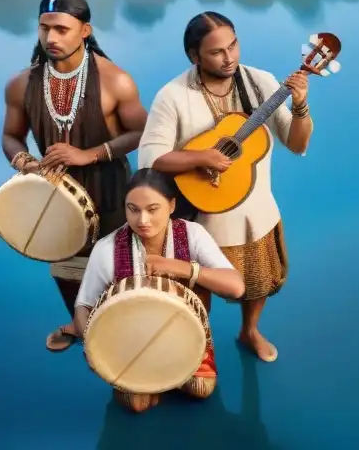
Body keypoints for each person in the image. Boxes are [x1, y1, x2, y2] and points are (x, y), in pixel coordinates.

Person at [138, 11, 313, 363]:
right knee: (199, 285)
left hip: (256, 211)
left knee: (258, 281)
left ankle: (249, 331)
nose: (229, 57)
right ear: (194, 56)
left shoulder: (260, 82)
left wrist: (300, 104)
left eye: (233, 45)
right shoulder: (173, 96)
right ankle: (199, 345)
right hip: (204, 218)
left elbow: (297, 144)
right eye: (217, 51)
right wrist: (200, 158)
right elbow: (150, 160)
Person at [1, 0, 148, 352]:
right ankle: (82, 324)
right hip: (53, 196)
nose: (51, 38)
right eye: (44, 28)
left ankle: (124, 339)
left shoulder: (116, 81)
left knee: (120, 271)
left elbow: (143, 131)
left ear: (85, 30)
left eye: (62, 29)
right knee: (66, 270)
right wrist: (26, 164)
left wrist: (89, 155)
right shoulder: (21, 84)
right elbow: (10, 137)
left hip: (111, 194)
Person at [74, 168, 245, 413]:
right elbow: (84, 305)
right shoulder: (107, 247)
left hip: (185, 336)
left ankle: (166, 373)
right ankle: (146, 378)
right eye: (133, 209)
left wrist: (182, 268)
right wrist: (93, 346)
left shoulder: (192, 234)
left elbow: (236, 287)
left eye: (152, 209)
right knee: (137, 404)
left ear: (172, 205)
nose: (142, 220)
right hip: (130, 343)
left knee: (201, 388)